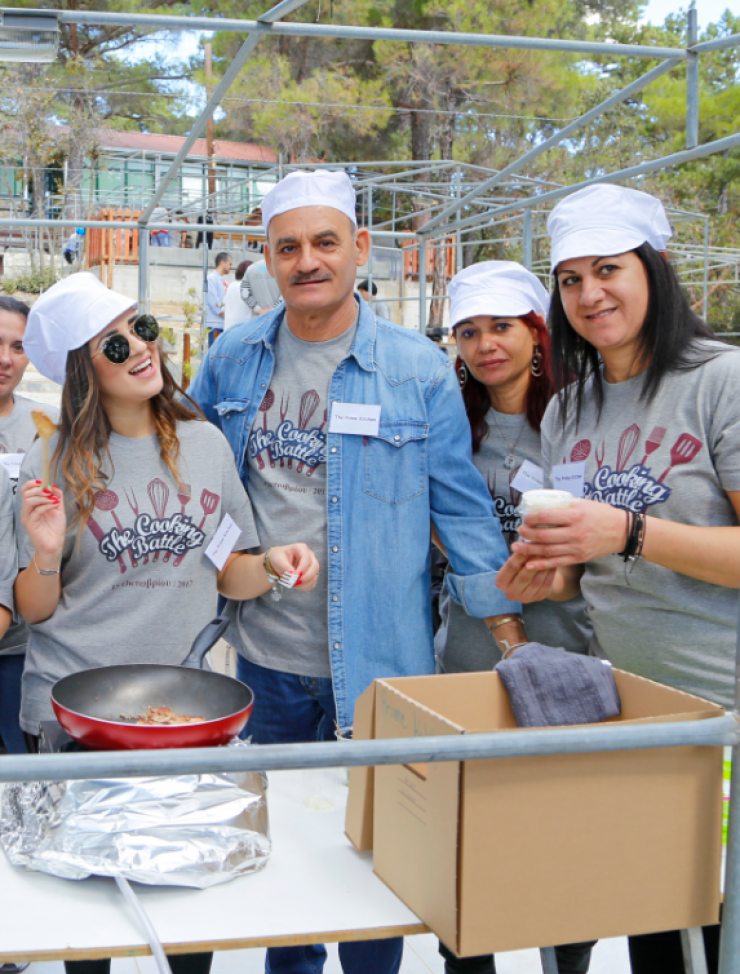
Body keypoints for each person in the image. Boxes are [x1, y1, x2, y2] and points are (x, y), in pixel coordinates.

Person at [189, 169, 526, 974]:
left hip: (380, 662)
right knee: (285, 866)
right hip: (266, 659)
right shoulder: (232, 360)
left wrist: (510, 632)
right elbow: (194, 481)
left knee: (375, 865)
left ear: (360, 249)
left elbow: (461, 508)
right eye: (289, 247)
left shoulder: (414, 369)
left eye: (325, 242)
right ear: (267, 259)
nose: (308, 261)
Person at [496, 184, 740, 974]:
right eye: (570, 279)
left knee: (722, 934)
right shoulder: (571, 410)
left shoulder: (721, 381)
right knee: (656, 935)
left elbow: (627, 538)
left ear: (657, 268)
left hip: (724, 717)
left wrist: (628, 531)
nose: (589, 294)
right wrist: (554, 581)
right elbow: (600, 570)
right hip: (630, 713)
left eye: (609, 269)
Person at [435, 261, 594, 974]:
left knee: (563, 838)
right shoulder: (452, 424)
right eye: (468, 331)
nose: (485, 345)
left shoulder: (579, 419)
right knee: (470, 845)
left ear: (537, 331)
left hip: (567, 653)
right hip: (469, 654)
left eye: (501, 326)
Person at [0, 296, 59, 757]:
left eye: (18, 347)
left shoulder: (47, 427)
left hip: (25, 644)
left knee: (22, 765)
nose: (6, 359)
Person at [206, 252, 231, 347]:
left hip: (222, 324)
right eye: (230, 264)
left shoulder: (221, 280)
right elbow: (215, 303)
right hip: (215, 325)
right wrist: (228, 316)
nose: (231, 266)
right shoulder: (211, 279)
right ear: (223, 263)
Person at [224, 259, 254, 330]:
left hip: (229, 328)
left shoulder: (231, 286)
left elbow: (223, 305)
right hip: (245, 329)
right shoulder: (250, 287)